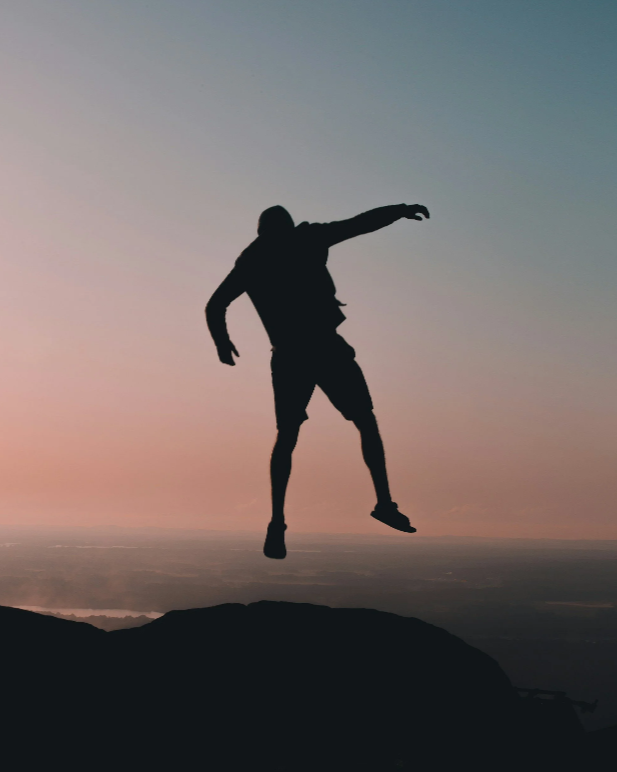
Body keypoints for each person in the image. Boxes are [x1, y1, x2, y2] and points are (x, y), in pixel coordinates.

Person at [206, 203, 430, 558]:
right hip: (321, 348)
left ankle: (279, 521)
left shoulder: (255, 258)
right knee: (361, 423)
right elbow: (358, 224)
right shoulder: (302, 240)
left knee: (293, 436)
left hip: (294, 355)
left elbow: (215, 305)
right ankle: (381, 503)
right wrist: (399, 210)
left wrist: (222, 341)